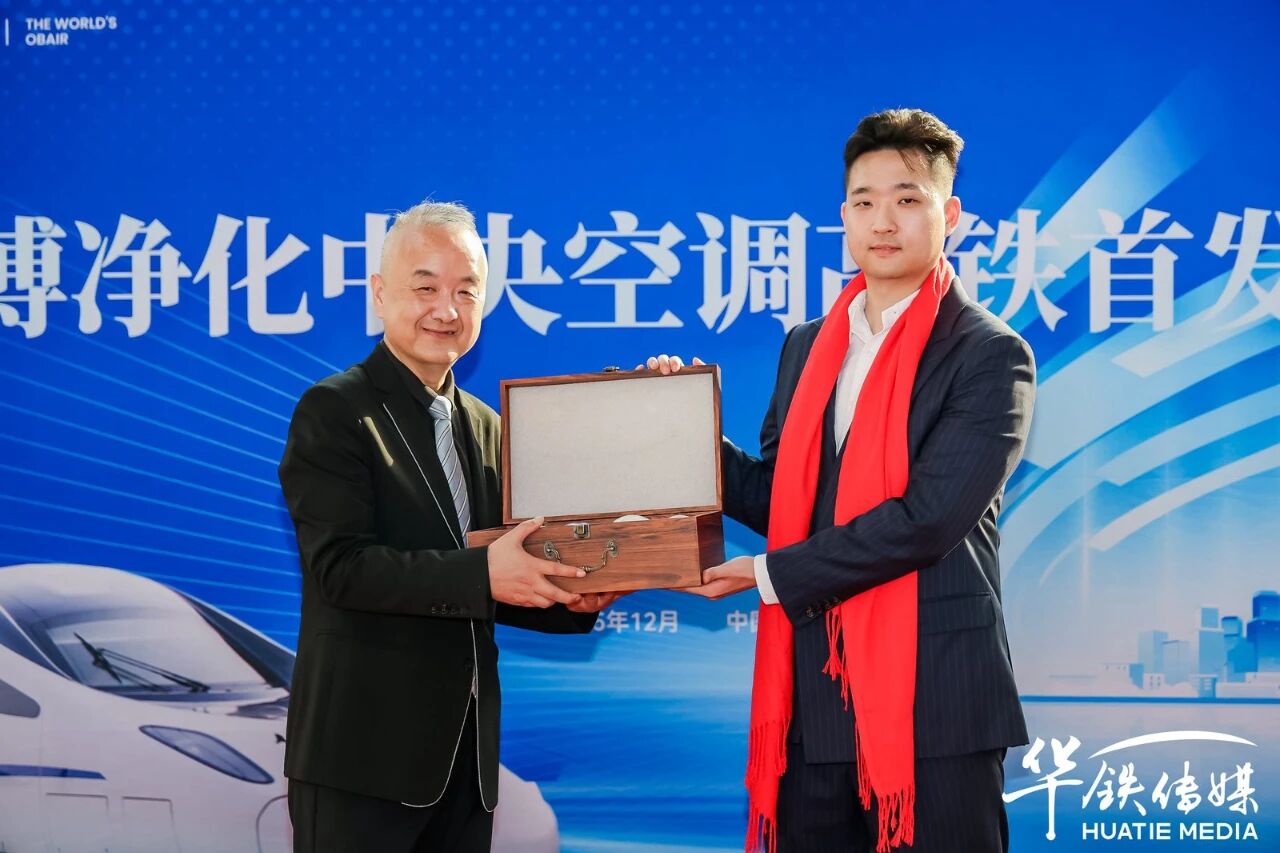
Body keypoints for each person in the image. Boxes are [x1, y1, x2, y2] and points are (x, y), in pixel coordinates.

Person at [648, 109, 1035, 852]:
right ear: (844, 216)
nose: (883, 221)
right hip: (813, 697)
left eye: (907, 199)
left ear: (950, 215)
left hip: (936, 700)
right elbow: (784, 503)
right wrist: (685, 431)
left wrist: (769, 575)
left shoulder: (989, 354)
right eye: (864, 201)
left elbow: (927, 519)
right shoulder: (807, 346)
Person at [279, 200, 615, 852]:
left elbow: (495, 577)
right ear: (380, 294)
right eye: (426, 287)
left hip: (465, 770)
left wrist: (573, 596)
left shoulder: (487, 426)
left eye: (467, 290)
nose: (447, 309)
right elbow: (341, 569)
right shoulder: (335, 412)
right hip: (361, 764)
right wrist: (488, 572)